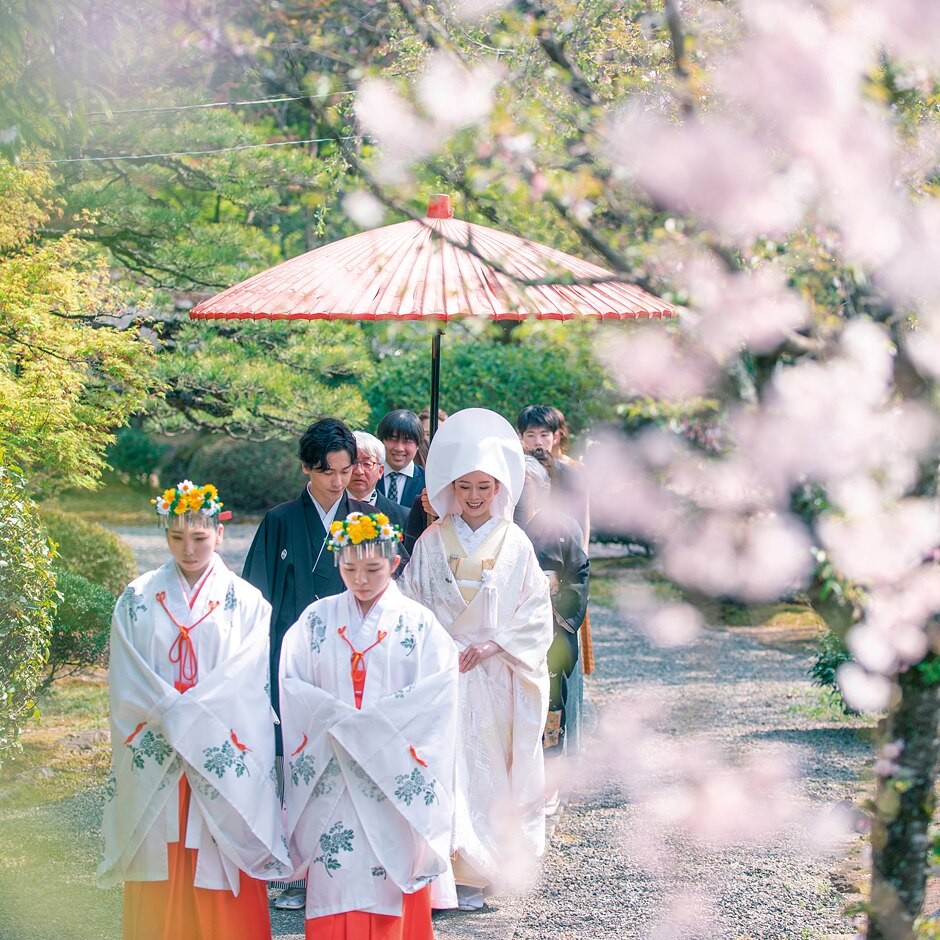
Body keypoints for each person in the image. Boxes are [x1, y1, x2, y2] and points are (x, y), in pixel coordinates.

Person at [98, 481, 290, 940]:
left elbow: (246, 682)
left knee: (220, 851)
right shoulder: (137, 598)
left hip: (216, 752)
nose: (188, 549)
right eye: (177, 538)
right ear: (165, 534)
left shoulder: (246, 602)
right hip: (159, 746)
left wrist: (190, 721)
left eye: (199, 538)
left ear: (219, 535)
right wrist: (173, 715)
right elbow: (128, 675)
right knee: (158, 856)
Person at [400, 408, 553, 911]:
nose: (473, 496)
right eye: (464, 486)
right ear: (450, 487)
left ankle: (484, 869)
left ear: (499, 488)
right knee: (444, 769)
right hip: (444, 673)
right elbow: (412, 603)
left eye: (484, 486)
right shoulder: (428, 542)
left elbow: (535, 612)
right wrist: (438, 644)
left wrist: (494, 644)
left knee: (487, 772)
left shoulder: (516, 544)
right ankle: (445, 870)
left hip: (494, 674)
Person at [279, 511, 459, 937]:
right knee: (334, 875)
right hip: (334, 769)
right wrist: (345, 727)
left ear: (395, 563)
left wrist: (367, 733)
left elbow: (434, 698)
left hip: (392, 777)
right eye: (349, 568)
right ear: (337, 562)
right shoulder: (315, 621)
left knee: (391, 869)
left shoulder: (419, 624)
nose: (360, 579)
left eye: (373, 569)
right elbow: (294, 687)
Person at [241, 417, 374, 910]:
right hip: (292, 661)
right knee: (296, 765)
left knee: (348, 760)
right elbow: (256, 599)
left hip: (353, 657)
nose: (338, 482)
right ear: (306, 469)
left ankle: (350, 867)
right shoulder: (280, 521)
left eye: (345, 470)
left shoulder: (366, 520)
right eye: (327, 472)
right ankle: (297, 872)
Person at [519, 456, 589, 806]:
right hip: (514, 628)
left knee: (552, 701)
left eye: (527, 485)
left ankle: (549, 779)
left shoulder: (563, 526)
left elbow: (579, 574)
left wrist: (558, 613)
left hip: (551, 628)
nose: (521, 492)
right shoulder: (504, 525)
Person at [348, 430, 410, 530]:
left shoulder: (404, 516)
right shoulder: (329, 509)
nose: (359, 471)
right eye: (353, 463)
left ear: (380, 471)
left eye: (367, 464)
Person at [375, 409, 426, 510]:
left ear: (418, 445)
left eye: (407, 440)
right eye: (393, 439)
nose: (399, 448)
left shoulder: (427, 481)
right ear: (381, 441)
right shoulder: (368, 475)